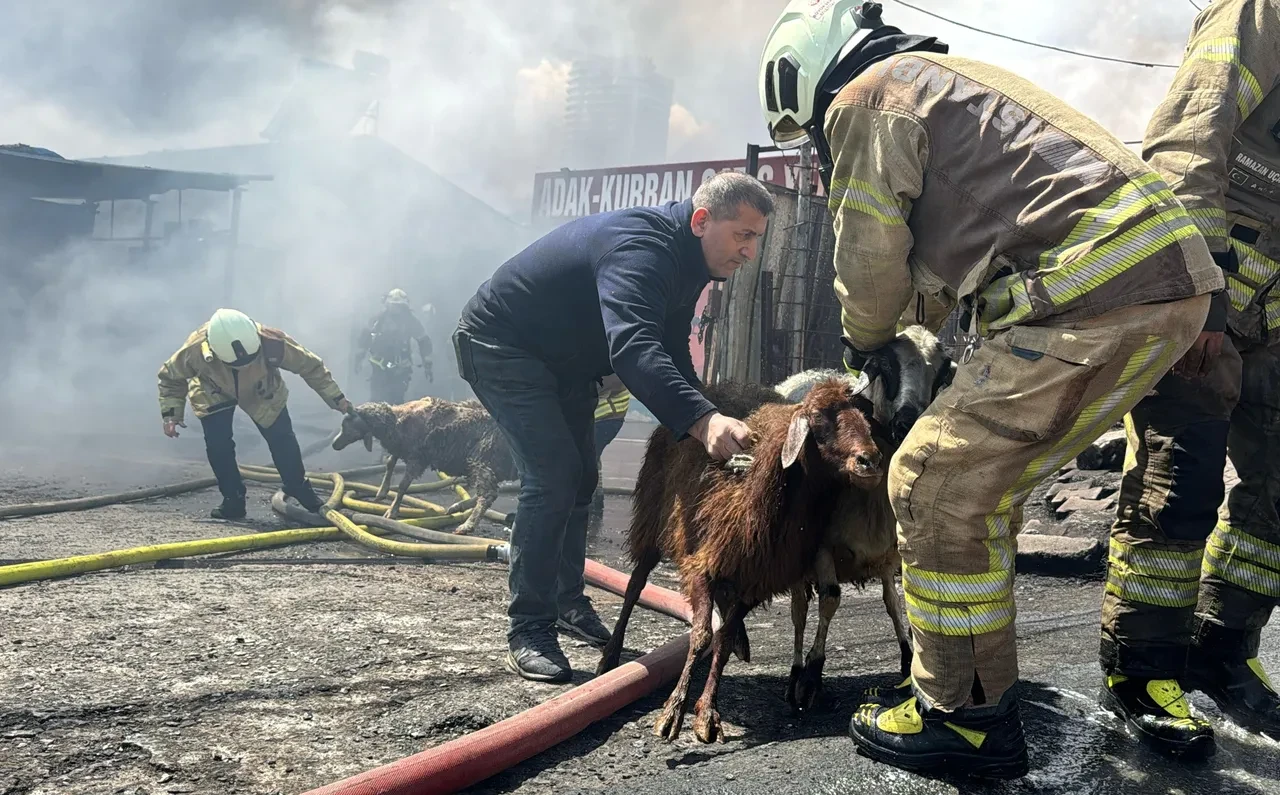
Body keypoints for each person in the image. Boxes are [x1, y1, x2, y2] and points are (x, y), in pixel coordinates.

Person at [758, 0, 1223, 778]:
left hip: (1092, 291)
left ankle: (962, 716)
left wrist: (865, 342)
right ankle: (981, 693)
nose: (818, 149)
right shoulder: (946, 85)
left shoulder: (866, 98)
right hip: (1171, 283)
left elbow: (870, 262)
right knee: (979, 491)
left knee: (933, 484)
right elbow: (954, 271)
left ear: (803, 81)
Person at [455, 171, 773, 683]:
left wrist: (706, 409)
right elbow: (633, 347)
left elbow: (670, 346)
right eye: (743, 235)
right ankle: (529, 627)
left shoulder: (689, 262)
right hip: (502, 348)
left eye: (756, 238)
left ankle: (566, 601)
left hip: (562, 363)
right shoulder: (642, 250)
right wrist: (701, 419)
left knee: (581, 477)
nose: (750, 253)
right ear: (701, 221)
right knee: (553, 475)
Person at [1098, 0, 1280, 757]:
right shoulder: (1261, 12)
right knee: (1182, 479)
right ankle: (1140, 667)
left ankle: (1220, 643)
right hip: (1211, 290)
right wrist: (1198, 289)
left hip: (1274, 311)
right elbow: (1188, 140)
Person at [158, 308, 352, 519]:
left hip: (263, 391)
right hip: (213, 391)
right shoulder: (195, 349)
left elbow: (311, 367)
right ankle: (233, 501)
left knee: (282, 439)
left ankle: (299, 488)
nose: (243, 366)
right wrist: (171, 414)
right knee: (219, 446)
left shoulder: (272, 342)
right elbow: (170, 377)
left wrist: (336, 398)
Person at [355, 288, 433, 405]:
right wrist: (358, 358)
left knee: (396, 402)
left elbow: (424, 341)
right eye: (393, 305)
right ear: (387, 304)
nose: (395, 309)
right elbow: (364, 337)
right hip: (379, 368)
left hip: (400, 370)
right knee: (376, 401)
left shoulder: (410, 321)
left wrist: (428, 365)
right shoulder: (378, 319)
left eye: (399, 306)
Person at [590, 374, 631, 519]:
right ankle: (596, 500)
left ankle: (590, 503)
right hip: (607, 417)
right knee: (591, 457)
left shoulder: (607, 362)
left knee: (585, 461)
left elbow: (603, 383)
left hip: (604, 417)